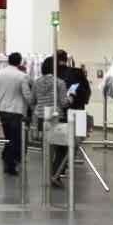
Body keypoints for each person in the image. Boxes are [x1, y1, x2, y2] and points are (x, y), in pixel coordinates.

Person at [0, 52, 34, 176]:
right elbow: (27, 94)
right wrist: (32, 105)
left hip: (2, 110)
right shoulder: (22, 76)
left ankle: (6, 156)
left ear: (8, 60)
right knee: (15, 138)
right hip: (16, 111)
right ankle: (10, 165)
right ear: (19, 62)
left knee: (8, 136)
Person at [33, 56, 70, 187]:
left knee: (46, 148)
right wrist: (71, 97)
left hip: (41, 117)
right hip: (55, 118)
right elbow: (64, 103)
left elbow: (33, 100)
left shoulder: (36, 82)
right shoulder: (60, 82)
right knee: (63, 148)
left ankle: (47, 175)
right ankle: (55, 174)